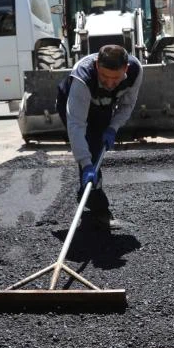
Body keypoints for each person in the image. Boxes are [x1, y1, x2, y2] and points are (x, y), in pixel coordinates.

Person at [56, 44, 143, 229]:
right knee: (92, 152)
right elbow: (76, 125)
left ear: (125, 69)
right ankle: (99, 210)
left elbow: (127, 105)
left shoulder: (135, 70)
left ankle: (86, 196)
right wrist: (86, 163)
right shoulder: (82, 76)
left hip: (103, 105)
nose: (110, 84)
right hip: (72, 103)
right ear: (96, 66)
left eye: (116, 78)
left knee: (96, 147)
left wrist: (113, 127)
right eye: (104, 77)